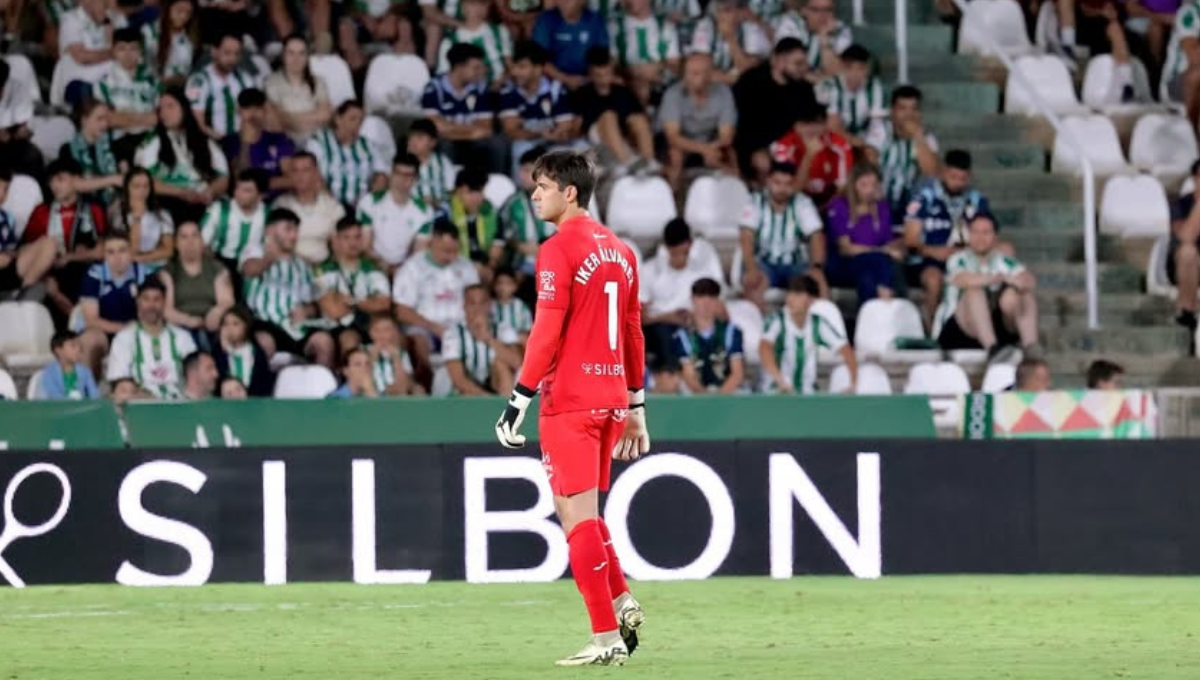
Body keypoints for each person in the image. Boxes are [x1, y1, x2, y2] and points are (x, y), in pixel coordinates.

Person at [493, 150, 647, 666]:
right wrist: (636, 405)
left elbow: (546, 331)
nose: (535, 195)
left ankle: (605, 637)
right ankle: (622, 599)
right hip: (609, 399)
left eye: (542, 186)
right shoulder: (621, 251)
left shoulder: (559, 249)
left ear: (570, 192)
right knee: (584, 514)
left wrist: (518, 399)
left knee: (577, 522)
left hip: (571, 400)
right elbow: (631, 331)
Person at [932, 213, 1039, 364]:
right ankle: (992, 349)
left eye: (986, 232)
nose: (980, 237)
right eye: (975, 232)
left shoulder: (1004, 261)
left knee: (1021, 294)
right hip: (958, 330)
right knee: (974, 291)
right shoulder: (958, 258)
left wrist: (1016, 282)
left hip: (996, 326)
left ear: (995, 236)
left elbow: (1029, 280)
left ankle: (1031, 349)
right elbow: (962, 279)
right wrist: (996, 278)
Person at [904, 149, 990, 330]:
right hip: (926, 260)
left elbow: (987, 235)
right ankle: (932, 332)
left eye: (963, 178)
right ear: (943, 171)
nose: (958, 183)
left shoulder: (976, 200)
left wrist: (964, 251)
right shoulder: (924, 196)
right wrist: (935, 251)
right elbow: (910, 239)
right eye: (953, 177)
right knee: (934, 279)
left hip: (964, 259)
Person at [241, 208, 336, 367]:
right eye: (288, 229)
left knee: (324, 342)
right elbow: (250, 269)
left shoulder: (302, 265)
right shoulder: (256, 251)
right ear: (270, 230)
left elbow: (314, 303)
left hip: (295, 327)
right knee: (264, 342)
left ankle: (323, 390)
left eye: (296, 230)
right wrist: (271, 256)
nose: (294, 236)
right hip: (264, 322)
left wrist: (306, 310)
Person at [392, 218, 481, 387]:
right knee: (418, 340)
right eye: (446, 250)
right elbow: (402, 311)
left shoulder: (465, 266)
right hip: (427, 328)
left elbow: (477, 300)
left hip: (460, 327)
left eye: (455, 250)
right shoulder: (413, 268)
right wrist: (434, 327)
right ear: (432, 241)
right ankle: (428, 387)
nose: (451, 256)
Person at [640, 218, 726, 387]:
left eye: (684, 253)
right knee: (665, 334)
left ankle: (707, 381)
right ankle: (672, 378)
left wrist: (696, 316)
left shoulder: (701, 273)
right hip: (658, 328)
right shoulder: (650, 271)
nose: (679, 259)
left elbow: (720, 310)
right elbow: (638, 317)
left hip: (692, 325)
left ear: (691, 246)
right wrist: (667, 317)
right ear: (666, 248)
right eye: (674, 254)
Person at [23, 158, 107, 322]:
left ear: (77, 180)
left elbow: (102, 251)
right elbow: (29, 252)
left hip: (84, 274)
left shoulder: (93, 210)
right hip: (49, 275)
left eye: (60, 179)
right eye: (51, 181)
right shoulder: (42, 212)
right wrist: (47, 281)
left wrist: (70, 257)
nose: (55, 185)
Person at [135, 88, 231, 224]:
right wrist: (180, 193)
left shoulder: (204, 141)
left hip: (203, 199)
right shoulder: (152, 142)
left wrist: (211, 192)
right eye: (161, 109)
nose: (164, 113)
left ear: (184, 108)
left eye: (170, 106)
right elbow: (142, 180)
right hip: (171, 200)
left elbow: (223, 177)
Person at [738, 161, 826, 309]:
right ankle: (759, 329)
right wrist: (751, 266)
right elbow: (746, 237)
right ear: (768, 181)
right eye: (777, 183)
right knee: (753, 283)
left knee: (817, 282)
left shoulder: (802, 203)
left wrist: (816, 267)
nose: (782, 189)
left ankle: (822, 326)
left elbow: (816, 236)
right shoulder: (755, 201)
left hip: (795, 265)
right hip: (763, 263)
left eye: (787, 184)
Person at [732, 37, 817, 179]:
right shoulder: (751, 81)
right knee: (762, 162)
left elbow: (810, 121)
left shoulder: (804, 89)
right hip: (750, 147)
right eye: (797, 64)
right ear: (778, 61)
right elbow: (738, 125)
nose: (803, 69)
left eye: (804, 64)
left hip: (789, 145)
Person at [759, 273, 857, 393]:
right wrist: (779, 380)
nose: (791, 299)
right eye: (790, 293)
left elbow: (845, 350)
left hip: (807, 393)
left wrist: (853, 382)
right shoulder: (777, 321)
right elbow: (764, 348)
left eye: (798, 294)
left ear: (811, 300)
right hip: (777, 391)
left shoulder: (818, 324)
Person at [106, 277, 199, 399]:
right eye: (146, 299)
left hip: (180, 405)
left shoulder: (182, 337)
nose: (151, 305)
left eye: (157, 299)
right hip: (140, 406)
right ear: (138, 302)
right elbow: (118, 382)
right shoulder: (124, 339)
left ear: (164, 302)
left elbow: (196, 377)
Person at [570, 48, 658, 174]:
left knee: (639, 119)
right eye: (598, 75)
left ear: (612, 72)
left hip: (623, 132)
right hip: (597, 136)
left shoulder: (622, 91)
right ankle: (628, 162)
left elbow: (637, 117)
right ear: (591, 73)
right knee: (608, 115)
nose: (603, 79)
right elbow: (577, 127)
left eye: (606, 74)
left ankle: (649, 161)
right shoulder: (582, 94)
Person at [658, 53, 738, 190]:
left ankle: (734, 195)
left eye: (697, 73)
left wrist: (712, 149)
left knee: (729, 157)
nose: (691, 78)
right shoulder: (673, 94)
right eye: (690, 73)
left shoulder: (723, 93)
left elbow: (726, 135)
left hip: (712, 141)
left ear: (710, 75)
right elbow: (673, 137)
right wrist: (704, 149)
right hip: (683, 143)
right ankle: (673, 201)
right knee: (675, 155)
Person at [499, 41, 579, 178]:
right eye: (514, 67)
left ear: (538, 68)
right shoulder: (509, 91)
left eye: (522, 67)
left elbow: (566, 127)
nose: (515, 72)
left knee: (573, 151)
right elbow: (511, 131)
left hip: (554, 142)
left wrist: (559, 134)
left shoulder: (556, 89)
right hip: (528, 142)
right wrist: (540, 134)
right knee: (520, 149)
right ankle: (523, 193)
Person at [78, 231, 154, 375]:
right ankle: (87, 393)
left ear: (131, 252)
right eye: (110, 252)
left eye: (122, 251)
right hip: (104, 332)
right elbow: (91, 320)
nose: (117, 258)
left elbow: (153, 310)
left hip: (137, 331)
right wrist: (124, 328)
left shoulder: (144, 274)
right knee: (89, 341)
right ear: (104, 255)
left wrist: (135, 329)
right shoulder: (94, 274)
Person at [825, 162, 902, 304]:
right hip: (844, 264)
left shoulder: (882, 208)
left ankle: (872, 321)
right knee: (878, 261)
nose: (870, 190)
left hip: (873, 267)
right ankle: (885, 309)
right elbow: (846, 249)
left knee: (868, 277)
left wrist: (895, 249)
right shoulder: (839, 206)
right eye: (864, 185)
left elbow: (889, 242)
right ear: (853, 185)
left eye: (874, 185)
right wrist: (880, 251)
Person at [420, 42, 503, 172]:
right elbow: (436, 127)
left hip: (470, 141)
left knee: (496, 142)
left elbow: (486, 128)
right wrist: (470, 133)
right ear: (459, 67)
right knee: (445, 144)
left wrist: (451, 129)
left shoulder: (480, 88)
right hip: (447, 141)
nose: (480, 72)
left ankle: (495, 185)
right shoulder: (434, 88)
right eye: (475, 68)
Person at [864, 85, 939, 221]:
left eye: (914, 109)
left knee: (929, 186)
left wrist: (918, 137)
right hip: (880, 194)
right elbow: (869, 161)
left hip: (908, 198)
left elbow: (931, 172)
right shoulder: (881, 130)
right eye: (902, 109)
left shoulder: (926, 137)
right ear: (892, 112)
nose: (908, 115)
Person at [316, 216, 393, 346]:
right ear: (337, 240)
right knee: (349, 339)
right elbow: (334, 311)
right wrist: (368, 301)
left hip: (371, 323)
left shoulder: (372, 268)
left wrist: (350, 301)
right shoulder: (323, 270)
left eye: (357, 237)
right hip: (338, 327)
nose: (353, 243)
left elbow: (384, 304)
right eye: (346, 237)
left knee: (393, 336)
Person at [421, 166, 503, 281]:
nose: (476, 197)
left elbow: (497, 248)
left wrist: (489, 267)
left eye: (479, 191)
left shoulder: (491, 212)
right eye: (470, 192)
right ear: (458, 190)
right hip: (453, 267)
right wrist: (471, 269)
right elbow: (440, 249)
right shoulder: (444, 213)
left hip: (483, 269)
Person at [357, 153, 434, 275]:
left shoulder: (425, 211)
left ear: (416, 178)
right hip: (371, 267)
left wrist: (400, 271)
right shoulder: (369, 202)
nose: (402, 180)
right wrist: (384, 266)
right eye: (398, 173)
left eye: (408, 175)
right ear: (391, 174)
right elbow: (364, 246)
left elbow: (419, 253)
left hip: (406, 271)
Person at [161, 220, 235, 346]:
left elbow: (227, 301)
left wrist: (216, 312)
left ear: (202, 242)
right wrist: (189, 321)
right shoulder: (168, 272)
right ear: (176, 244)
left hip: (212, 325)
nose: (190, 242)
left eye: (195, 236)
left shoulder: (217, 269)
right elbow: (166, 310)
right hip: (180, 326)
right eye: (184, 237)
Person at [441, 284, 523, 395]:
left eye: (482, 303)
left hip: (497, 386)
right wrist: (488, 400)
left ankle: (506, 408)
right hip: (465, 393)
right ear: (464, 306)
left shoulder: (503, 328)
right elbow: (459, 380)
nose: (477, 308)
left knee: (500, 364)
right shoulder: (453, 333)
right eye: (472, 303)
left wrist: (488, 338)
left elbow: (517, 363)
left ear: (489, 305)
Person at [769, 101, 852, 207]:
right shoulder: (783, 147)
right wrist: (809, 156)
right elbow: (793, 188)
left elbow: (842, 188)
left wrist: (824, 208)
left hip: (830, 201)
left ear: (825, 124)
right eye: (805, 123)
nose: (811, 129)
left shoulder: (839, 146)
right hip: (795, 201)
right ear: (795, 126)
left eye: (817, 123)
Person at [95, 27, 161, 161]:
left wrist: (124, 117)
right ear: (113, 51)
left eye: (133, 48)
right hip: (120, 142)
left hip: (151, 139)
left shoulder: (153, 80)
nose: (128, 54)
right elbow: (109, 120)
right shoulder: (104, 83)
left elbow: (158, 117)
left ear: (141, 51)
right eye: (122, 49)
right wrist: (144, 118)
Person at [307, 99, 389, 207]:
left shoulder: (368, 145)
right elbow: (313, 176)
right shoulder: (319, 141)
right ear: (338, 119)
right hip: (327, 204)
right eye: (352, 119)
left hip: (362, 205)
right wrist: (334, 205)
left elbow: (382, 176)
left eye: (360, 121)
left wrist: (367, 202)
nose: (357, 125)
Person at [671, 277, 744, 394]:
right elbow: (688, 375)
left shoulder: (732, 332)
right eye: (701, 297)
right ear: (693, 300)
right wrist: (705, 401)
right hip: (695, 396)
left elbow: (737, 373)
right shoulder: (682, 336)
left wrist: (719, 398)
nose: (706, 302)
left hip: (727, 394)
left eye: (712, 297)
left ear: (718, 301)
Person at [272, 151, 347, 265]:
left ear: (316, 173)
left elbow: (340, 245)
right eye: (295, 171)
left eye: (305, 170)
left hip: (324, 266)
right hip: (290, 267)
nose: (300, 175)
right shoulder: (281, 205)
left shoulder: (332, 206)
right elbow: (275, 245)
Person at [185, 30, 262, 140]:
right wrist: (220, 140)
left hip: (242, 139)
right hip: (212, 141)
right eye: (227, 53)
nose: (232, 59)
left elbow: (256, 114)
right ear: (213, 51)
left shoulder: (245, 79)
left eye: (236, 53)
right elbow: (198, 124)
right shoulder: (199, 81)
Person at [221, 88, 298, 196]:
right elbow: (235, 179)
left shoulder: (278, 139)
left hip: (276, 202)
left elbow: (291, 179)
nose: (252, 113)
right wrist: (245, 144)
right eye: (247, 108)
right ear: (239, 110)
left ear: (264, 110)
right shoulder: (228, 143)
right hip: (242, 203)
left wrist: (259, 184)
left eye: (257, 108)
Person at [609, 0, 682, 106]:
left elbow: (675, 65)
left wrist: (656, 68)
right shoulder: (615, 26)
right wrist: (632, 73)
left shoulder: (665, 25)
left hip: (660, 86)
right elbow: (612, 66)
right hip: (627, 85)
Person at [200, 168, 269, 280]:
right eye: (237, 188)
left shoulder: (268, 215)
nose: (238, 193)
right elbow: (202, 243)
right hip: (220, 262)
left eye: (247, 190)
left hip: (253, 267)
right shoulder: (219, 210)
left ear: (261, 196)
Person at [58, 0, 128, 107]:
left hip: (113, 84)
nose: (108, 7)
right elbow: (81, 57)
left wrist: (109, 26)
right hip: (82, 86)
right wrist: (113, 52)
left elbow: (128, 54)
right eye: (104, 3)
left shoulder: (117, 19)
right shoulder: (71, 19)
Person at [265, 33, 333, 143]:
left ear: (307, 57)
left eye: (301, 53)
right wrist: (313, 116)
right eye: (291, 53)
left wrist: (292, 118)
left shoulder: (318, 81)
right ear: (283, 56)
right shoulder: (271, 83)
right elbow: (277, 119)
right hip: (286, 143)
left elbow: (326, 115)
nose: (296, 59)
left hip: (317, 141)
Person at [0, 168, 55, 300]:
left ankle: (20, 294)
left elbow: (10, 253)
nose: (2, 194)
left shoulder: (8, 219)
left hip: (6, 271)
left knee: (48, 243)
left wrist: (16, 253)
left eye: (6, 189)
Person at [499, 146, 556, 275]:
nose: (521, 176)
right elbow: (504, 236)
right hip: (522, 269)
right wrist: (520, 246)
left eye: (527, 171)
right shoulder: (513, 204)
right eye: (521, 170)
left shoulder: (563, 201)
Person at [818, 44, 885, 148]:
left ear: (867, 69)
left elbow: (876, 123)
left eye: (861, 68)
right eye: (849, 68)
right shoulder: (829, 86)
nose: (855, 73)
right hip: (835, 138)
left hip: (863, 138)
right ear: (841, 67)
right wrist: (853, 141)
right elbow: (831, 125)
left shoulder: (874, 87)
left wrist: (869, 145)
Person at [688, 0, 770, 85]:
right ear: (717, 14)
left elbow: (748, 71)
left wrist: (731, 39)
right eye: (726, 10)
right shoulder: (706, 26)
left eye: (736, 9)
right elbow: (699, 68)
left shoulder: (750, 27)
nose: (733, 15)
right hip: (712, 86)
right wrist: (732, 79)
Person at [532, 0, 610, 89]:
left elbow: (603, 58)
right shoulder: (546, 20)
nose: (563, 2)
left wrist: (590, 79)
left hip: (589, 81)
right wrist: (566, 79)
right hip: (554, 81)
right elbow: (538, 58)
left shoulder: (595, 20)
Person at [108, 167, 177, 267]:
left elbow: (168, 250)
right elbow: (130, 249)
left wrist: (140, 259)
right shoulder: (118, 216)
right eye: (136, 186)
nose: (142, 191)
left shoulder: (162, 214)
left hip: (157, 267)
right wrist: (137, 219)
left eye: (146, 186)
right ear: (127, 187)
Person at [436, 0, 515, 86]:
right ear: (463, 7)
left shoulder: (500, 31)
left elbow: (510, 66)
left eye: (482, 4)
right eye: (472, 4)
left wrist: (501, 81)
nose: (478, 9)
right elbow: (445, 77)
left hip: (502, 88)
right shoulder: (449, 42)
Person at [63, 99, 125, 205]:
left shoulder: (115, 144)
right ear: (84, 120)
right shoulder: (67, 149)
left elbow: (125, 177)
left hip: (115, 203)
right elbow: (76, 184)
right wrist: (112, 179)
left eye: (106, 119)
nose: (105, 124)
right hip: (84, 206)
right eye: (99, 119)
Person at [211, 305, 274, 397]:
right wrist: (223, 350)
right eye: (225, 324)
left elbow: (263, 383)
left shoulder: (257, 353)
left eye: (235, 324)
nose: (230, 328)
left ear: (246, 326)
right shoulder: (217, 353)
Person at [1168, 159, 1200, 330]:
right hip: (1181, 263)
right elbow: (1186, 237)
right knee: (1188, 252)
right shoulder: (1180, 204)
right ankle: (1187, 312)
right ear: (1195, 179)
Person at [0, 57, 43, 178]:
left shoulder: (17, 87)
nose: (2, 93)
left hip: (12, 141)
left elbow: (25, 123)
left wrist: (23, 131)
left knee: (33, 155)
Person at [143, 0, 198, 87]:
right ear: (168, 8)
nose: (183, 16)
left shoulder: (188, 42)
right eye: (179, 10)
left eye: (188, 13)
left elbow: (184, 71)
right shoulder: (148, 32)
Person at [406, 118, 458, 210]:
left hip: (439, 211)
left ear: (433, 142)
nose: (413, 141)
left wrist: (436, 202)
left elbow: (452, 192)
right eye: (411, 136)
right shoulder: (401, 164)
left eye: (419, 137)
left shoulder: (442, 162)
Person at [36, 330, 101, 400]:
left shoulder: (85, 371)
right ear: (59, 350)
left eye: (80, 346)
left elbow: (94, 395)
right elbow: (54, 396)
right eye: (73, 346)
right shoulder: (49, 373)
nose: (78, 349)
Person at [365, 313, 419, 395]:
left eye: (386, 330)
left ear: (394, 332)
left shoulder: (401, 353)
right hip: (371, 392)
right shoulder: (364, 350)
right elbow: (363, 376)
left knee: (418, 390)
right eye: (376, 330)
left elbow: (406, 382)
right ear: (370, 333)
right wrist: (372, 357)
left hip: (396, 392)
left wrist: (396, 358)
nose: (381, 334)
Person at [490, 267, 533, 339]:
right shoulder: (489, 305)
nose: (503, 287)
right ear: (494, 285)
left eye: (508, 283)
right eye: (499, 283)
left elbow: (528, 331)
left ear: (515, 286)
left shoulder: (521, 307)